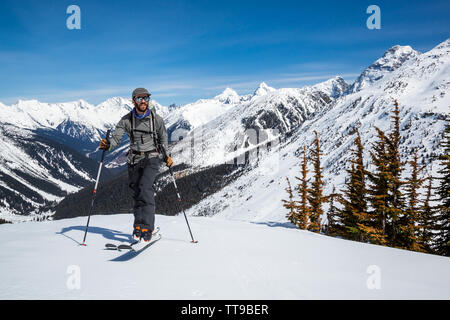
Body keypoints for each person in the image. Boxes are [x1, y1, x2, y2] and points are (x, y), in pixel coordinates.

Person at [99, 88, 173, 242]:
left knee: (145, 188)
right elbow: (116, 137)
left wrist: (167, 156)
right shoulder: (126, 120)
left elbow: (163, 138)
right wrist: (108, 145)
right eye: (140, 99)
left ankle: (148, 227)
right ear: (133, 101)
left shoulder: (156, 119)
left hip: (152, 158)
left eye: (146, 98)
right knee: (137, 193)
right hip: (134, 160)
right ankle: (138, 226)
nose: (143, 101)